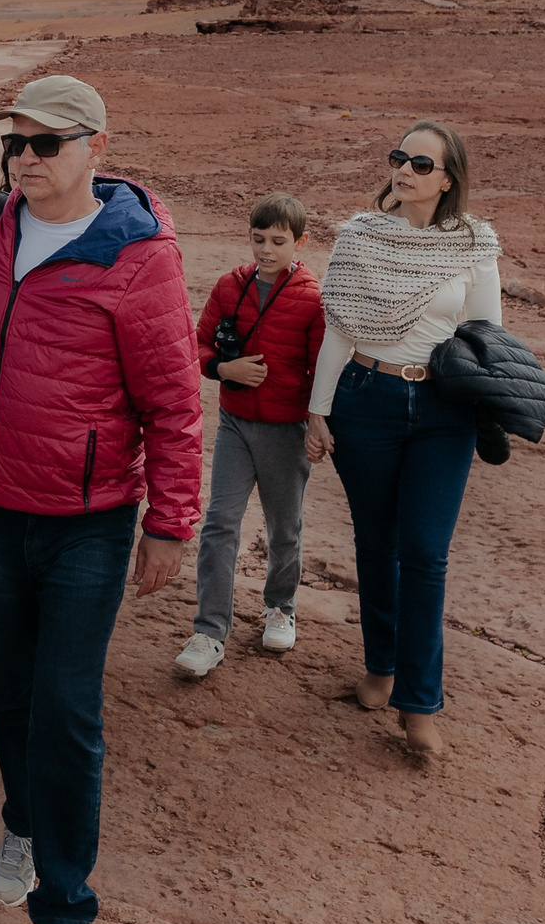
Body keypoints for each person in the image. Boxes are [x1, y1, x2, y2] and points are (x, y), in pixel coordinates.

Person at [0, 75, 205, 924]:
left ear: (97, 147)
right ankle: (21, 823)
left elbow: (174, 401)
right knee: (8, 688)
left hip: (89, 520)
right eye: (15, 143)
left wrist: (170, 523)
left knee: (67, 707)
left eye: (48, 143)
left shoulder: (139, 256)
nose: (25, 160)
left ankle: (67, 914)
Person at [304, 122, 501, 762]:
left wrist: (490, 408)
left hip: (443, 410)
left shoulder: (472, 244)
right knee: (376, 543)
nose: (405, 170)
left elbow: (484, 338)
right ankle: (380, 669)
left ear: (448, 178)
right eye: (398, 158)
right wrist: (318, 409)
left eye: (421, 162)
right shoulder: (361, 236)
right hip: (367, 401)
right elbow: (339, 326)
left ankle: (418, 705)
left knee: (423, 553)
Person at [177, 193, 326, 678]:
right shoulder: (229, 287)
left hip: (287, 431)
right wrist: (224, 367)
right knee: (220, 523)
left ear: (299, 242)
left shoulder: (310, 297)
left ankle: (280, 606)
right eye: (258, 239)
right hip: (237, 425)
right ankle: (209, 631)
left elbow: (322, 369)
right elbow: (196, 345)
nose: (266, 250)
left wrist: (316, 424)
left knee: (285, 528)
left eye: (278, 241)